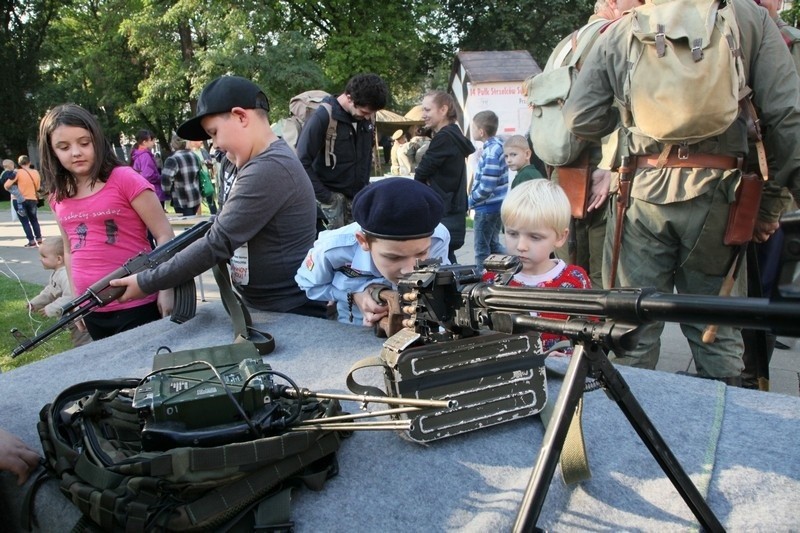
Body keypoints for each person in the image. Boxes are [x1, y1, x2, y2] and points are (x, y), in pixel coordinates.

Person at [563, 0, 800, 384]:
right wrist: (773, 207)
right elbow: (787, 118)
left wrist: (628, 115)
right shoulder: (748, 17)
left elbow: (581, 118)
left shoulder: (626, 27)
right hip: (721, 198)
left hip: (639, 197)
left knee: (630, 329)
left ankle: (629, 435)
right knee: (716, 333)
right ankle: (722, 436)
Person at [110, 75, 326, 318]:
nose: (215, 144)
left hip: (291, 311)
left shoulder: (269, 166)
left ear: (241, 116)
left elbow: (217, 242)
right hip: (269, 309)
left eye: (214, 133)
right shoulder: (245, 162)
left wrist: (147, 281)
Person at [37, 104, 175, 340]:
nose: (76, 152)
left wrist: (166, 287)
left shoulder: (125, 179)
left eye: (84, 142)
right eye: (64, 147)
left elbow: (164, 235)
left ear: (97, 141)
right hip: (91, 306)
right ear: (52, 151)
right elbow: (69, 250)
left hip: (138, 302)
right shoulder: (57, 195)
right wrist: (75, 301)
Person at [542, 0, 642, 289]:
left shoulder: (568, 42)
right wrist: (611, 166)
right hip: (601, 174)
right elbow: (622, 104)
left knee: (570, 274)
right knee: (606, 279)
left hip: (563, 169)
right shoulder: (617, 34)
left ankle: (576, 334)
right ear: (612, 3)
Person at [295, 177, 450, 327]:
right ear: (363, 241)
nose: (409, 270)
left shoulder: (438, 239)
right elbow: (309, 284)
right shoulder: (333, 248)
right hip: (355, 329)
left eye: (421, 253)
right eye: (394, 257)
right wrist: (354, 297)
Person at [485, 179, 591, 352]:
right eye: (512, 233)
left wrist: (565, 353)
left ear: (560, 237)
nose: (521, 246)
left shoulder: (574, 280)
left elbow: (587, 332)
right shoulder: (491, 279)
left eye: (534, 237)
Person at [296, 73, 389, 230]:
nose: (368, 117)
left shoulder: (366, 119)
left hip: (357, 202)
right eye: (365, 112)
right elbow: (300, 162)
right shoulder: (323, 117)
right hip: (327, 206)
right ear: (349, 98)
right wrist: (327, 197)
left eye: (372, 113)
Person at [414, 90, 475, 263]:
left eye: (427, 110)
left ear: (443, 110)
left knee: (441, 265)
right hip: (452, 211)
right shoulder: (453, 135)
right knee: (447, 261)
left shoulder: (444, 138)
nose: (423, 115)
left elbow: (421, 173)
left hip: (443, 212)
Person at [28, 236, 92, 347]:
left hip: (80, 317)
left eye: (44, 256)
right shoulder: (57, 273)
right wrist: (35, 303)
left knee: (83, 342)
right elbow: (50, 290)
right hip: (71, 318)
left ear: (59, 259)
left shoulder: (65, 275)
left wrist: (50, 309)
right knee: (78, 339)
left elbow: (70, 296)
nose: (40, 259)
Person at [469, 110, 509, 271]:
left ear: (481, 131)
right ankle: (515, 264)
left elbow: (487, 185)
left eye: (473, 128)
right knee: (493, 244)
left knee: (481, 249)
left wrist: (471, 200)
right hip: (495, 205)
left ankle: (481, 279)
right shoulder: (496, 147)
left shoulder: (492, 151)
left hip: (486, 207)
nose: (471, 131)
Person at [3, 155, 42, 247]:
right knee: (34, 220)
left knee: (25, 221)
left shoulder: (17, 172)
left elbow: (7, 185)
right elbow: (38, 187)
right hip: (32, 199)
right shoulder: (35, 172)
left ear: (19, 163)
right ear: (29, 162)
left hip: (19, 200)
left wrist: (15, 191)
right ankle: (39, 240)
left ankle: (31, 242)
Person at [160, 135, 202, 216]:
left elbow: (166, 179)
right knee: (193, 223)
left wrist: (167, 191)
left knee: (186, 225)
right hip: (195, 196)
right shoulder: (193, 156)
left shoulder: (173, 159)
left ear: (173, 144)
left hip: (182, 199)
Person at [130, 129, 168, 208]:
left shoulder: (137, 155)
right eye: (152, 140)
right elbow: (148, 175)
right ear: (144, 142)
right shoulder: (145, 156)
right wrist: (161, 177)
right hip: (153, 192)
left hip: (145, 193)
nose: (154, 143)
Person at [187, 139, 218, 215]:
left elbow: (210, 162)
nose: (201, 141)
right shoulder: (189, 153)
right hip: (196, 178)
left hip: (205, 177)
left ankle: (215, 214)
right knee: (197, 199)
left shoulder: (203, 151)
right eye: (198, 140)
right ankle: (198, 217)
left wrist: (209, 164)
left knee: (210, 196)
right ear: (192, 142)